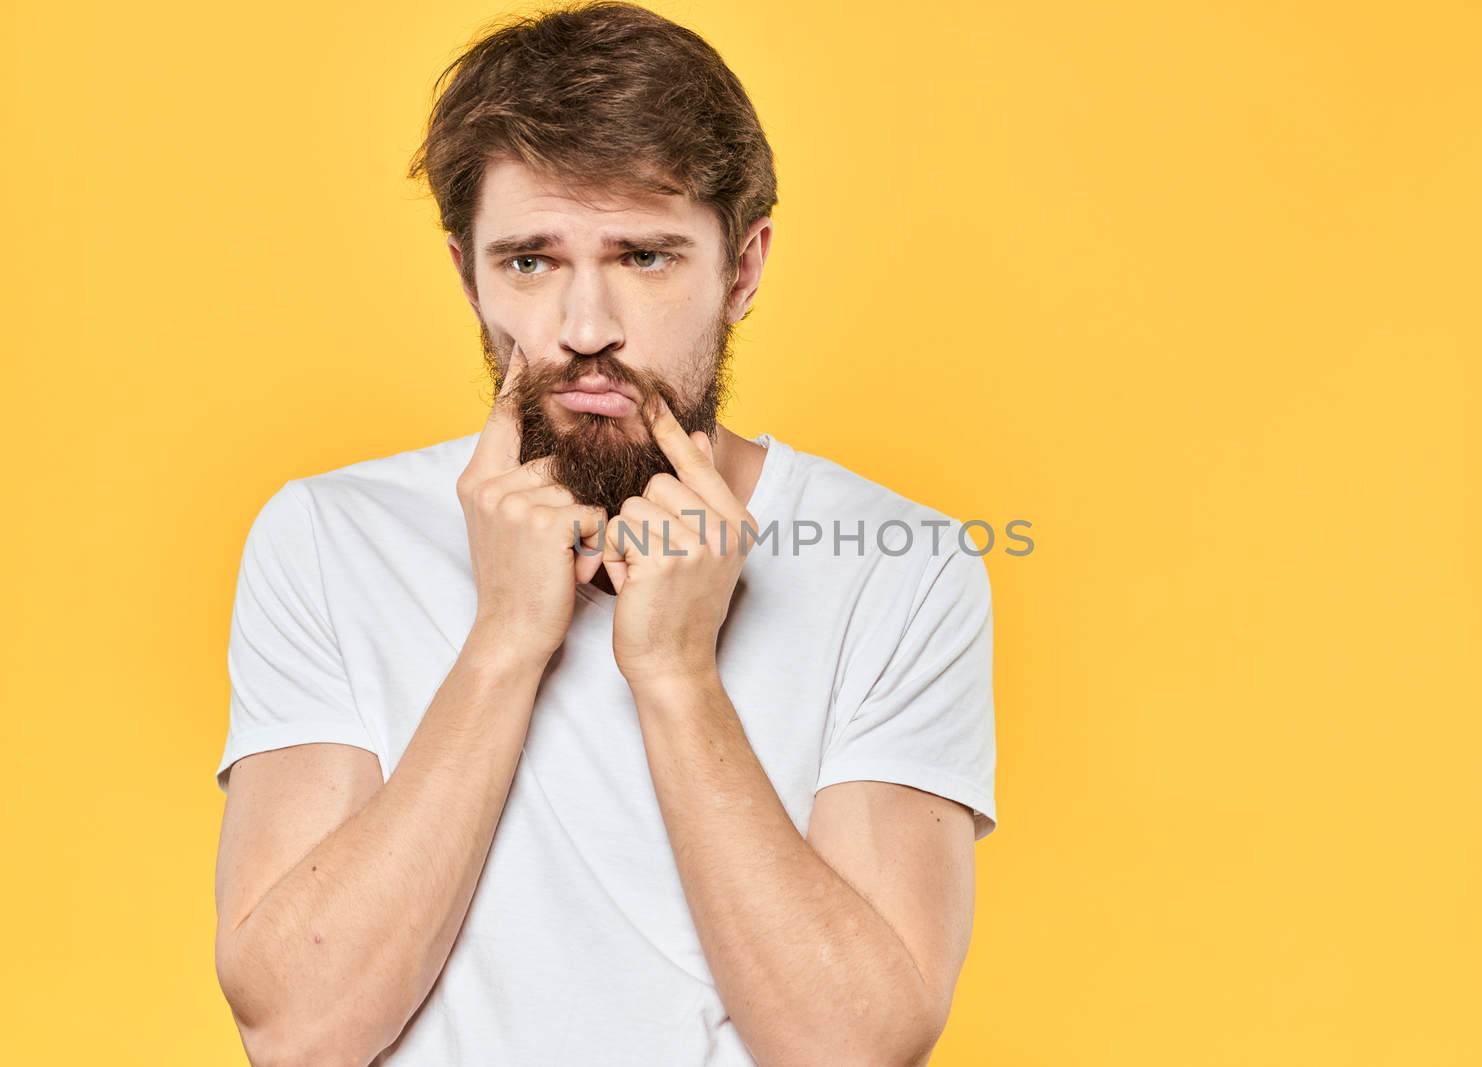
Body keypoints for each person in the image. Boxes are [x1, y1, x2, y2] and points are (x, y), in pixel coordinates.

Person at [211, 3, 997, 1064]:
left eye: (644, 256)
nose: (586, 328)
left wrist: (675, 673)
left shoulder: (903, 564)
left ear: (743, 267)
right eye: (530, 261)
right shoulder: (325, 535)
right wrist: (504, 640)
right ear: (466, 275)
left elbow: (852, 1045)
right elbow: (299, 1031)